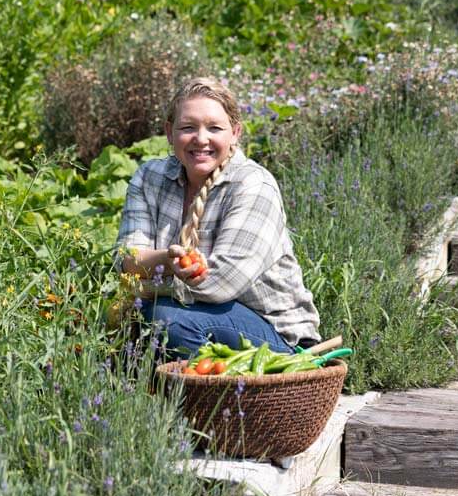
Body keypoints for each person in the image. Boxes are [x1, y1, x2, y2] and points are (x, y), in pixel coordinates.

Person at [114, 77, 320, 356]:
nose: (201, 139)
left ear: (235, 132)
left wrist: (148, 283)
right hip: (193, 314)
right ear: (169, 132)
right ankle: (180, 388)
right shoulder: (150, 178)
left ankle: (223, 396)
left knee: (163, 317)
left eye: (215, 128)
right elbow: (126, 258)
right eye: (188, 127)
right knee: (141, 318)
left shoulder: (253, 185)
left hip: (273, 331)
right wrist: (166, 260)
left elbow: (220, 283)